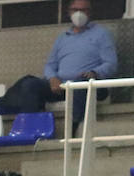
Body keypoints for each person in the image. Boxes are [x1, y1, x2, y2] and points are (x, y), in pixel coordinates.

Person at [41, 0, 117, 129]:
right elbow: (50, 65)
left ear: (90, 13)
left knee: (79, 83)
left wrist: (94, 72)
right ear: (69, 12)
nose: (79, 14)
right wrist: (52, 78)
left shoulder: (101, 34)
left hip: (88, 85)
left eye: (83, 10)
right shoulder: (63, 38)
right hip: (62, 87)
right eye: (75, 10)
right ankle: (32, 129)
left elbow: (111, 63)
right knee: (30, 84)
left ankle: (73, 129)